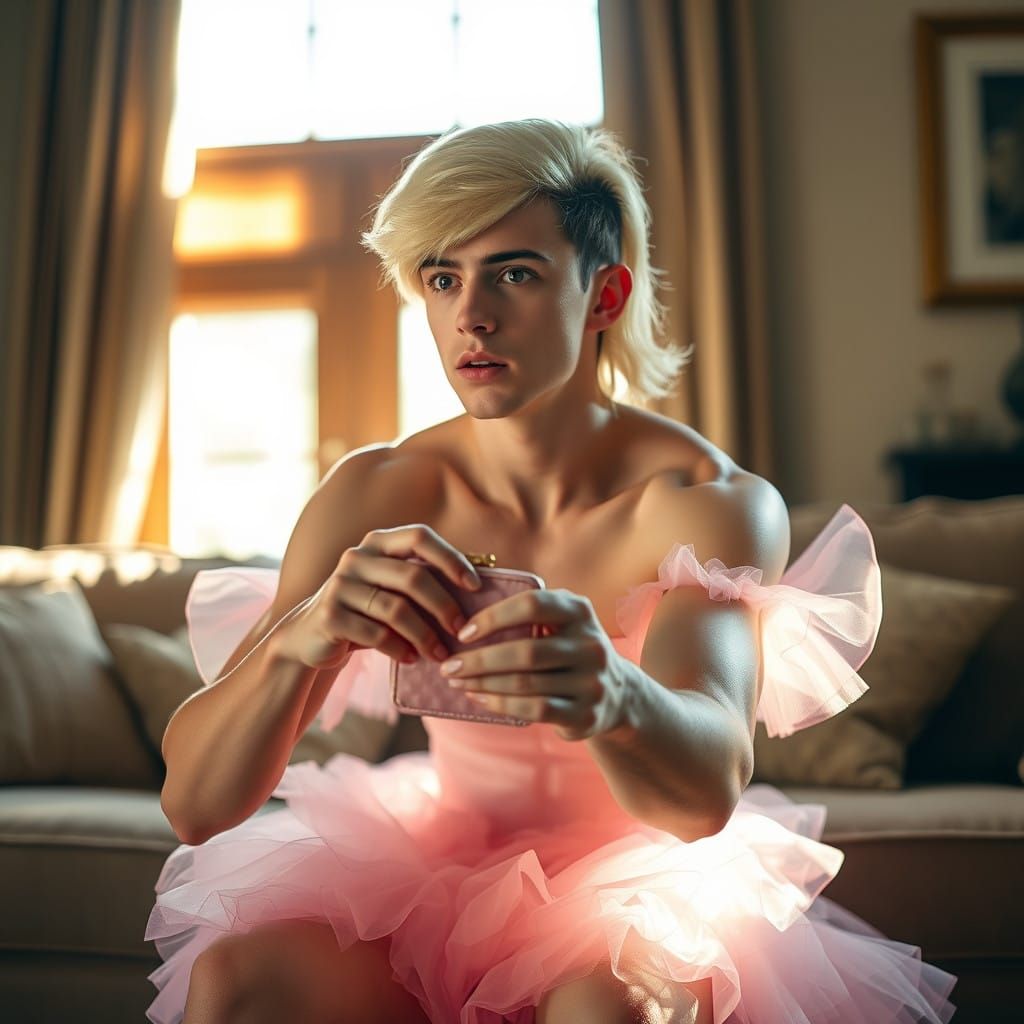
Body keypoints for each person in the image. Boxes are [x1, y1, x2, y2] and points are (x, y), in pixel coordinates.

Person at [146, 119, 956, 1023]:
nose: (471, 316)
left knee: (602, 1010)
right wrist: (302, 638)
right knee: (233, 983)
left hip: (636, 888)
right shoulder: (373, 489)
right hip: (428, 866)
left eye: (514, 274)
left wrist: (609, 689)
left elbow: (705, 794)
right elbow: (195, 805)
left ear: (605, 295)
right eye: (443, 278)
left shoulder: (704, 501)